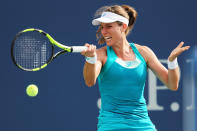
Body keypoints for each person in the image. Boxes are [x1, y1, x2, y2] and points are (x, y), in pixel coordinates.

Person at [81, 4, 190, 131]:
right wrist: (90, 58)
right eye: (102, 27)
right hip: (111, 126)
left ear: (123, 26)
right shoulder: (101, 54)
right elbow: (89, 81)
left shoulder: (144, 52)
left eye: (109, 26)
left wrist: (172, 61)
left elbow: (172, 84)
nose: (103, 32)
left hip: (143, 125)